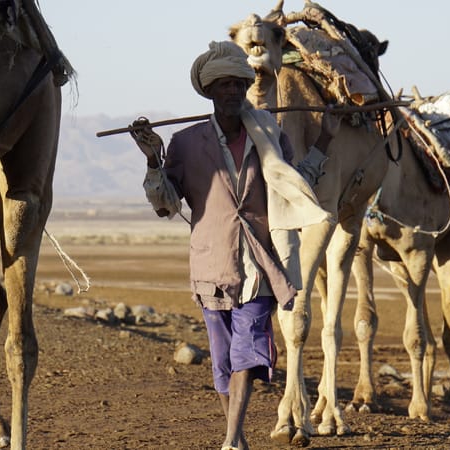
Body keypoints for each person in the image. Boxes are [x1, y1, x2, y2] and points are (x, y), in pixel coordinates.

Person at [130, 40, 340, 450]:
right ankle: (237, 438)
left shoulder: (270, 135)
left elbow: (297, 183)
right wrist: (154, 159)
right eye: (223, 84)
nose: (231, 91)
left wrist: (326, 141)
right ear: (209, 91)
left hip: (260, 264)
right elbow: (165, 205)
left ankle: (229, 440)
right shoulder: (186, 143)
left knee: (248, 351)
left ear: (245, 88)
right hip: (212, 265)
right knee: (223, 360)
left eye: (237, 84)